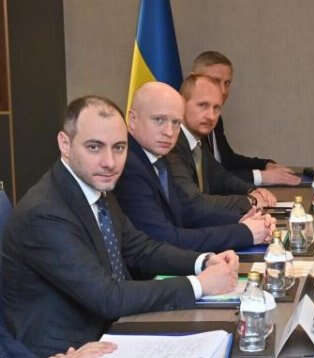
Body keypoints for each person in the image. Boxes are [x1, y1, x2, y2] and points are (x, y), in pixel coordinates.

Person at [1, 96, 239, 356]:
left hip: (112, 330)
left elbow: (140, 249)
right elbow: (106, 296)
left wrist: (204, 262)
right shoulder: (45, 212)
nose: (110, 162)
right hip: (67, 348)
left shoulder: (94, 186)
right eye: (94, 147)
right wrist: (199, 285)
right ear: (65, 144)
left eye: (119, 148)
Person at [114, 82, 275, 252]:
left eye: (176, 122)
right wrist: (244, 232)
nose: (169, 132)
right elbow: (166, 239)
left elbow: (184, 215)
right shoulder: (128, 166)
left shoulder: (159, 158)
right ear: (132, 119)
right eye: (159, 120)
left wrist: (243, 222)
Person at [167, 74, 277, 215]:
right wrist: (250, 201)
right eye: (203, 105)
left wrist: (252, 191)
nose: (211, 116)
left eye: (216, 108)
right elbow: (192, 203)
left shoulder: (197, 140)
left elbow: (220, 177)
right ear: (181, 104)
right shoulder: (171, 144)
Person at [191, 50, 300, 185]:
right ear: (193, 80)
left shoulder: (216, 118)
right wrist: (262, 176)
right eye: (215, 81)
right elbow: (208, 177)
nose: (223, 91)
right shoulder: (184, 122)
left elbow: (227, 160)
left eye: (227, 83)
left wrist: (265, 165)